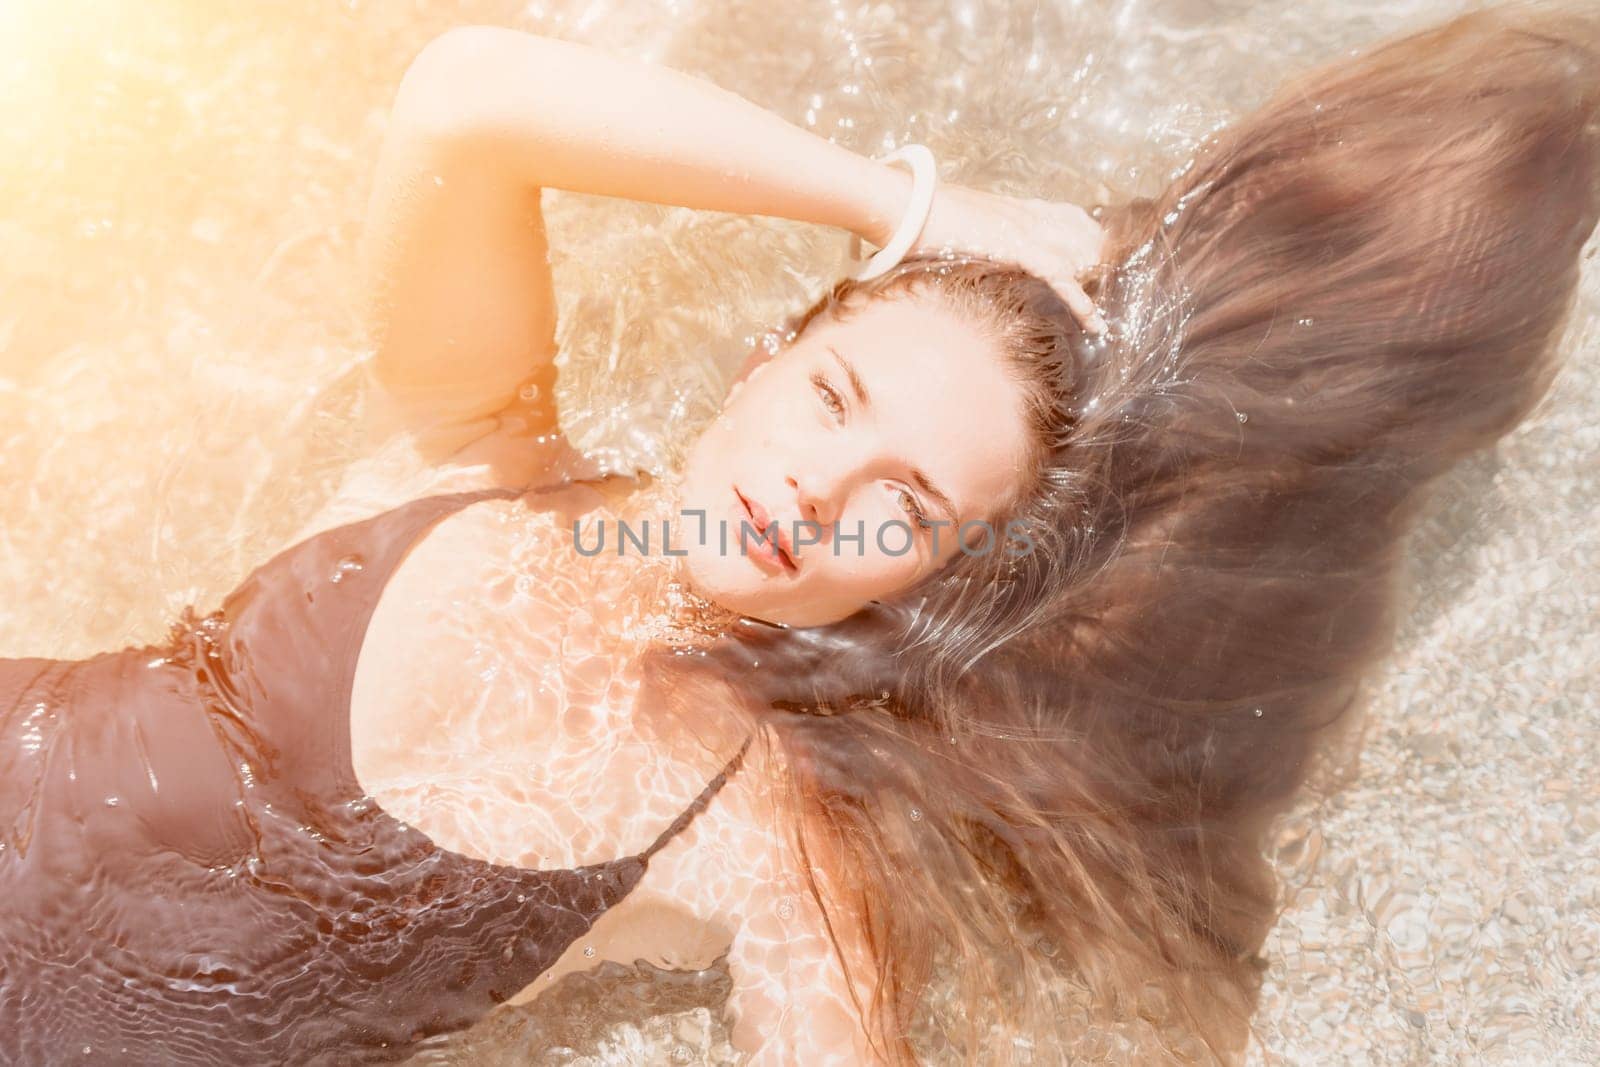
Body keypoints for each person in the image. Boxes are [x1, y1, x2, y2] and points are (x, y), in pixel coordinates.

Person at [2, 4, 1596, 1065]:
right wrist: (909, 210)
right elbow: (465, 97)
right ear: (768, 353)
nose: (817, 496)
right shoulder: (478, 449)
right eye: (834, 398)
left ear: (937, 579)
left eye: (902, 503)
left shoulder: (776, 842)